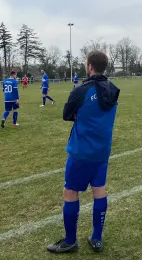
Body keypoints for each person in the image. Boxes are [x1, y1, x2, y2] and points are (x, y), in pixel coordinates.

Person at [47, 51, 120, 254]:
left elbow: (66, 115)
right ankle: (96, 238)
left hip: (81, 152)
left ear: (89, 66)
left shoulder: (81, 90)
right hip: (102, 152)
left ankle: (70, 240)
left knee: (70, 192)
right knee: (100, 190)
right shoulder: (113, 89)